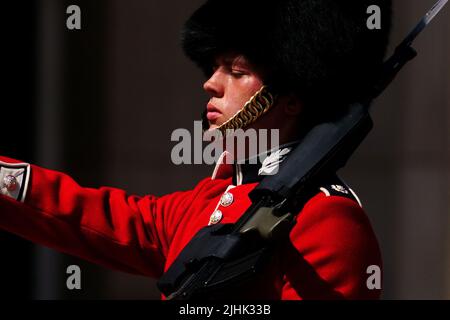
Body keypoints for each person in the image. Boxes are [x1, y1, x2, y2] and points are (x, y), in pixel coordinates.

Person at [0, 0, 391, 299]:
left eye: (236, 72)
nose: (211, 83)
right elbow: (85, 215)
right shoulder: (207, 202)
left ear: (290, 96)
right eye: (214, 68)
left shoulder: (326, 218)